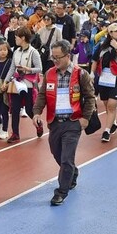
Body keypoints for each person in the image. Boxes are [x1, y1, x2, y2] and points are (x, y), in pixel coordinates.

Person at [32, 40, 96, 206]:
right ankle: (72, 172)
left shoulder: (81, 74)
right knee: (57, 154)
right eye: (53, 58)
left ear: (68, 56)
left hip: (73, 123)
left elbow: (90, 97)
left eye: (58, 58)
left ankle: (61, 192)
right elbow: (42, 95)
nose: (55, 61)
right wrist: (37, 112)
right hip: (55, 123)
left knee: (67, 158)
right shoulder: (49, 74)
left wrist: (85, 118)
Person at [3, 26, 42, 143]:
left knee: (30, 109)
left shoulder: (33, 52)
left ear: (23, 38)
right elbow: (12, 68)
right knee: (14, 109)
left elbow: (40, 68)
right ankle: (15, 133)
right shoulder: (16, 51)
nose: (15, 39)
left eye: (16, 37)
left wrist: (28, 69)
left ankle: (38, 124)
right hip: (16, 85)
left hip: (28, 85)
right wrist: (5, 81)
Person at [90, 23, 117, 143]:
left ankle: (106, 131)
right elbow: (95, 60)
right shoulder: (102, 45)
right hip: (104, 78)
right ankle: (114, 123)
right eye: (116, 31)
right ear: (110, 33)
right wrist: (92, 73)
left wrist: (116, 48)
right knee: (107, 104)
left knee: (112, 104)